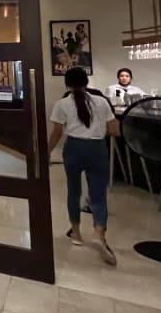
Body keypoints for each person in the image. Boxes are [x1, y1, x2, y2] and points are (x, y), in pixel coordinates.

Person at [48, 66, 119, 265]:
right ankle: (98, 233)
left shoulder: (62, 104)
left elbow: (56, 133)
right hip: (97, 148)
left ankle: (77, 233)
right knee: (98, 194)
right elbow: (114, 130)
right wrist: (98, 133)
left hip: (73, 148)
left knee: (73, 191)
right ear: (86, 82)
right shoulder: (101, 102)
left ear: (67, 84)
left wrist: (46, 151)